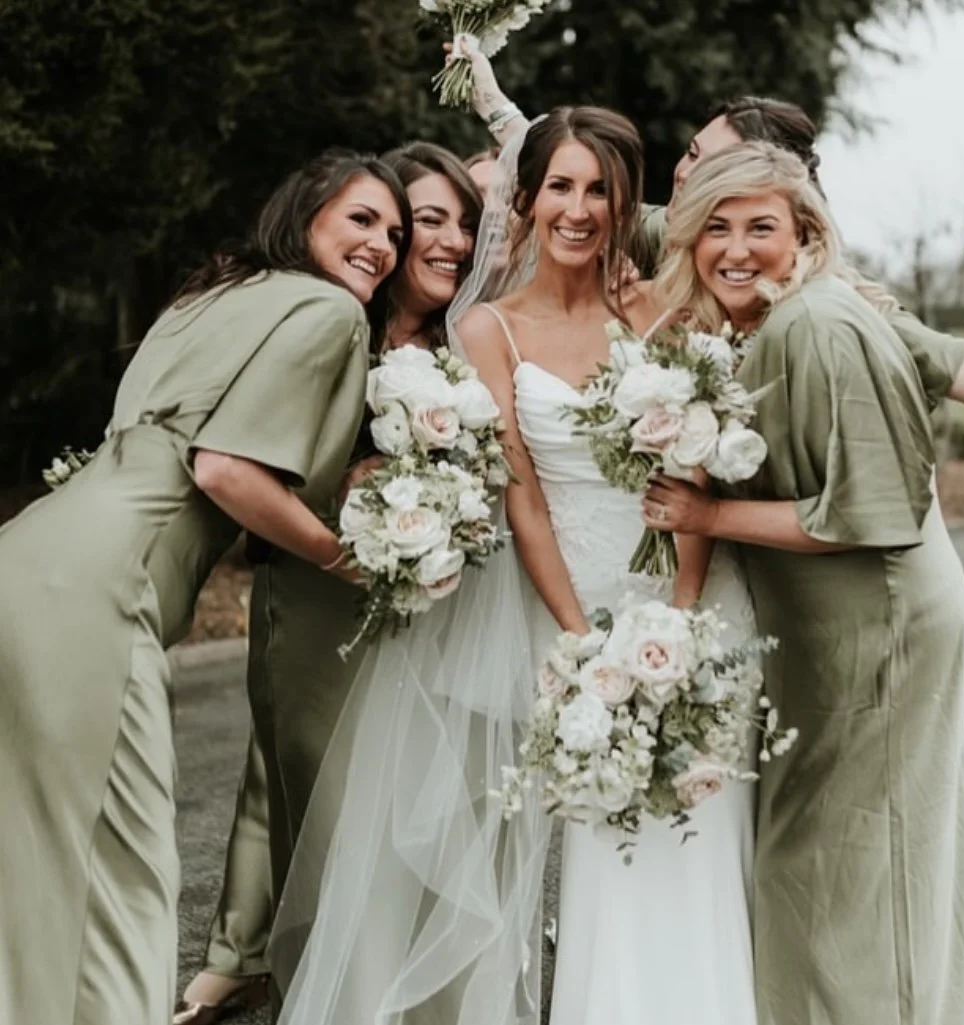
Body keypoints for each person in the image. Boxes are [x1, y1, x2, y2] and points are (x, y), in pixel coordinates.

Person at [269, 106, 761, 1025]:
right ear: (528, 201)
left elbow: (691, 456)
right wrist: (583, 645)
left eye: (600, 190)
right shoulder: (488, 329)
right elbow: (523, 494)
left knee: (690, 834)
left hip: (678, 597)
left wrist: (682, 616)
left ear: (625, 204)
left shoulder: (663, 306)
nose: (578, 210)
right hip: (555, 608)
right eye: (561, 188)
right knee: (570, 839)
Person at [0, 148, 411, 1025]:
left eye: (394, 232)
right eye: (361, 219)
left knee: (33, 848)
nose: (383, 245)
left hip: (34, 549)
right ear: (306, 215)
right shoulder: (329, 308)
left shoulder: (211, 294)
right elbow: (226, 469)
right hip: (98, 590)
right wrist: (346, 556)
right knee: (121, 868)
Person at [642, 142, 964, 1025]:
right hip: (834, 620)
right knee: (832, 854)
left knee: (858, 857)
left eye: (760, 226)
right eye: (713, 228)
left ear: (805, 233)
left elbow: (872, 512)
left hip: (878, 618)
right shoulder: (766, 322)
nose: (733, 248)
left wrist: (705, 516)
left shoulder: (818, 325)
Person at [175, 142, 483, 1025]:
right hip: (313, 598)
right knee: (305, 791)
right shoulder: (331, 320)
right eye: (429, 219)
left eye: (466, 222)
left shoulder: (468, 344)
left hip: (430, 612)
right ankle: (267, 965)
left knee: (414, 824)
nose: (451, 240)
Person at [460, 43, 964, 428]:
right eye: (692, 153)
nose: (687, 173)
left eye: (714, 169)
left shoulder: (820, 289)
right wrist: (493, 101)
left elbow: (958, 361)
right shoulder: (671, 232)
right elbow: (569, 190)